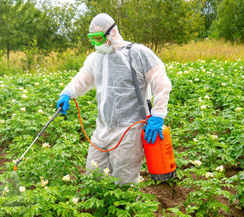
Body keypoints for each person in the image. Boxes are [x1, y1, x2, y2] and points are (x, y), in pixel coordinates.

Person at [56, 13, 172, 184]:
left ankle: (128, 209)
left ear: (113, 33)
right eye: (92, 39)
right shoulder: (95, 59)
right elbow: (82, 80)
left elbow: (161, 83)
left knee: (124, 183)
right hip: (102, 130)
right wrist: (67, 93)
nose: (96, 43)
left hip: (129, 130)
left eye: (99, 38)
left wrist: (158, 115)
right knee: (94, 178)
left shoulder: (137, 53)